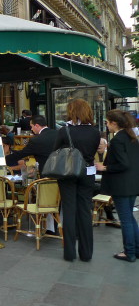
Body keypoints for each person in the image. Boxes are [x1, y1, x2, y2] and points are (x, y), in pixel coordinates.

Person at [54, 99, 100, 262]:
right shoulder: (95, 132)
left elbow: (56, 151)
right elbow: (93, 151)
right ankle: (86, 253)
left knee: (69, 210)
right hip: (88, 172)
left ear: (71, 111)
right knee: (85, 211)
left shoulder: (64, 131)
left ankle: (69, 253)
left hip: (68, 173)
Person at [96, 109, 139, 262]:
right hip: (133, 183)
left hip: (122, 184)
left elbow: (123, 164)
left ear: (114, 123)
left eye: (107, 122)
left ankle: (129, 252)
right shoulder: (131, 137)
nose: (106, 126)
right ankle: (135, 250)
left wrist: (104, 168)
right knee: (130, 218)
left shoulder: (118, 139)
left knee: (126, 219)